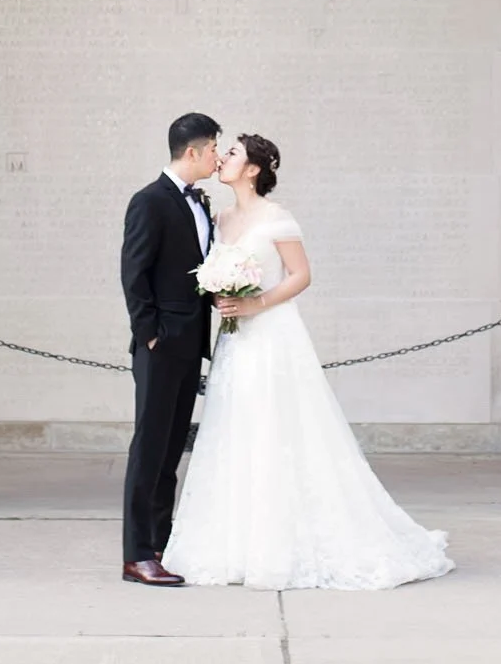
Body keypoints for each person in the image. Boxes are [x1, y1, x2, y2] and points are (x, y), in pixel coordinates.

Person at [163, 133, 454, 590]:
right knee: (236, 429)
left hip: (273, 337)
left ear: (254, 169)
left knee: (278, 429)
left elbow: (301, 275)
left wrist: (256, 304)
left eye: (233, 153)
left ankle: (282, 544)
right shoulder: (218, 219)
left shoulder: (276, 218)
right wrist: (221, 293)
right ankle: (236, 543)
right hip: (235, 342)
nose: (223, 158)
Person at [118, 111, 219, 586]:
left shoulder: (199, 202)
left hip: (189, 345)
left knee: (171, 449)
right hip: (160, 346)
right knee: (149, 448)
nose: (218, 156)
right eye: (214, 148)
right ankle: (137, 554)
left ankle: (160, 541)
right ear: (194, 152)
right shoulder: (150, 201)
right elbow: (133, 273)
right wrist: (149, 333)